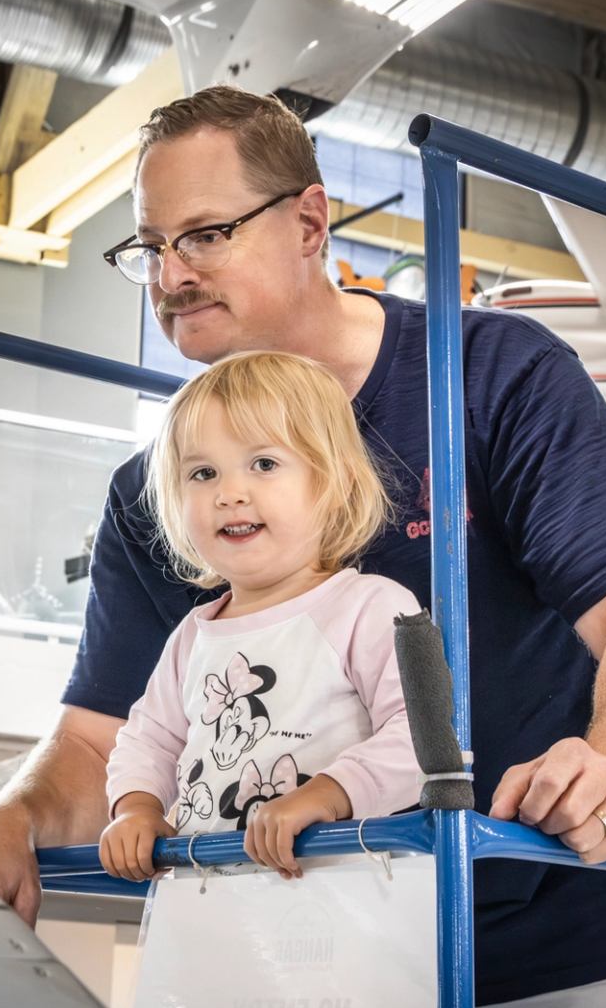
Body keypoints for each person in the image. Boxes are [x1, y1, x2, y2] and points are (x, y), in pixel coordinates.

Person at [0, 85, 606, 1008]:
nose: (172, 274)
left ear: (312, 224)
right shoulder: (166, 494)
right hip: (360, 962)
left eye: (206, 234)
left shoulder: (490, 379)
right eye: (150, 248)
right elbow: (104, 740)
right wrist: (9, 818)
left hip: (569, 929)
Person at [97, 350, 422, 882]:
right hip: (204, 903)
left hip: (334, 902)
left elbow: (422, 739)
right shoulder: (193, 636)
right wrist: (136, 806)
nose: (229, 493)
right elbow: (148, 739)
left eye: (264, 464)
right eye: (202, 473)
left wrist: (330, 792)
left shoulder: (369, 608)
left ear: (334, 483)